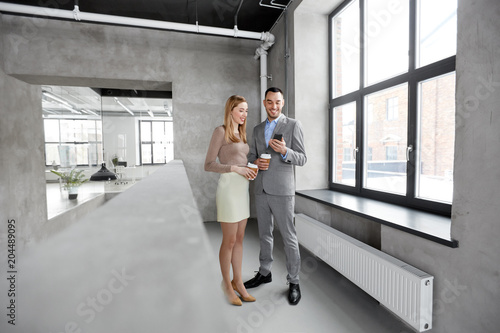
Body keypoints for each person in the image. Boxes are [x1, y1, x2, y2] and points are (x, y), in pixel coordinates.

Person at [244, 87, 307, 305]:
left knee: (289, 237)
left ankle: (294, 281)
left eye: (277, 102)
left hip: (282, 190)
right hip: (261, 188)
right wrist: (254, 163)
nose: (274, 106)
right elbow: (251, 156)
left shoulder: (293, 125)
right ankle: (264, 272)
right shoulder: (257, 129)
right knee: (264, 234)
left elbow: (302, 158)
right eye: (270, 102)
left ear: (282, 103)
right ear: (264, 103)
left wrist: (284, 151)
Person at [204, 95, 258, 306]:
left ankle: (238, 282)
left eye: (246, 111)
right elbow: (208, 164)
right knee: (229, 240)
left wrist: (253, 167)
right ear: (230, 111)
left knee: (240, 238)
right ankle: (226, 284)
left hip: (242, 189)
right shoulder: (220, 131)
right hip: (227, 189)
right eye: (241, 110)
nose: (245, 114)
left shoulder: (241, 134)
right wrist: (234, 168)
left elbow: (242, 160)